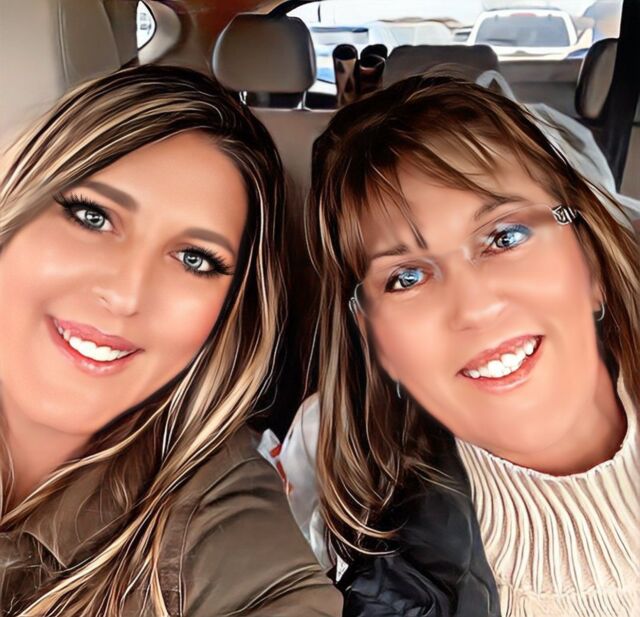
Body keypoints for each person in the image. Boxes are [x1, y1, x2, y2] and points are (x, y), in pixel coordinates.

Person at [0, 65, 342, 617]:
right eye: (93, 216)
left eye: (194, 259)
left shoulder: (218, 522)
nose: (125, 294)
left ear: (229, 312)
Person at [306, 74, 640, 616]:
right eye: (406, 278)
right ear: (378, 342)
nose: (474, 308)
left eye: (505, 237)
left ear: (591, 262)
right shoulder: (388, 592)